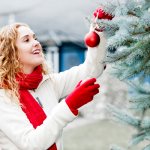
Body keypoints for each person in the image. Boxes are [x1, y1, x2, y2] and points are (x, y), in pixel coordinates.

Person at [0, 22, 106, 150]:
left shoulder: (49, 83)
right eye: (26, 40)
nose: (36, 43)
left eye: (35, 38)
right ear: (11, 52)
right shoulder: (3, 96)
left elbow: (92, 69)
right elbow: (31, 144)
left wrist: (98, 29)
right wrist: (69, 105)